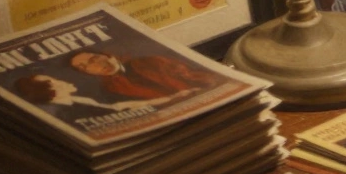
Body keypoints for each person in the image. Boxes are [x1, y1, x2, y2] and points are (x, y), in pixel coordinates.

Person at [67, 50, 222, 101]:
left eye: (93, 59)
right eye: (84, 68)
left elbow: (200, 77)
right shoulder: (110, 89)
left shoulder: (149, 60)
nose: (93, 66)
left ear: (105, 55)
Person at [13, 72, 172, 119]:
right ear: (50, 92)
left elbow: (117, 107)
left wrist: (171, 99)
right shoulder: (59, 113)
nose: (59, 79)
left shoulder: (77, 101)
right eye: (52, 80)